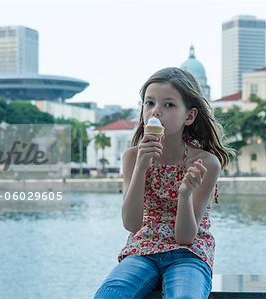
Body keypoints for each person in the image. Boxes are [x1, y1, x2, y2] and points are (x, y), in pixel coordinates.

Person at [94, 67, 234, 299]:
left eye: (168, 105)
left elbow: (185, 237)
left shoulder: (205, 163)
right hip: (142, 249)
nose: (155, 112)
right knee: (109, 295)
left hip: (189, 253)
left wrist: (185, 193)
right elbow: (131, 223)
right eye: (149, 103)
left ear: (189, 116)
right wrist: (141, 167)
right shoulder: (132, 157)